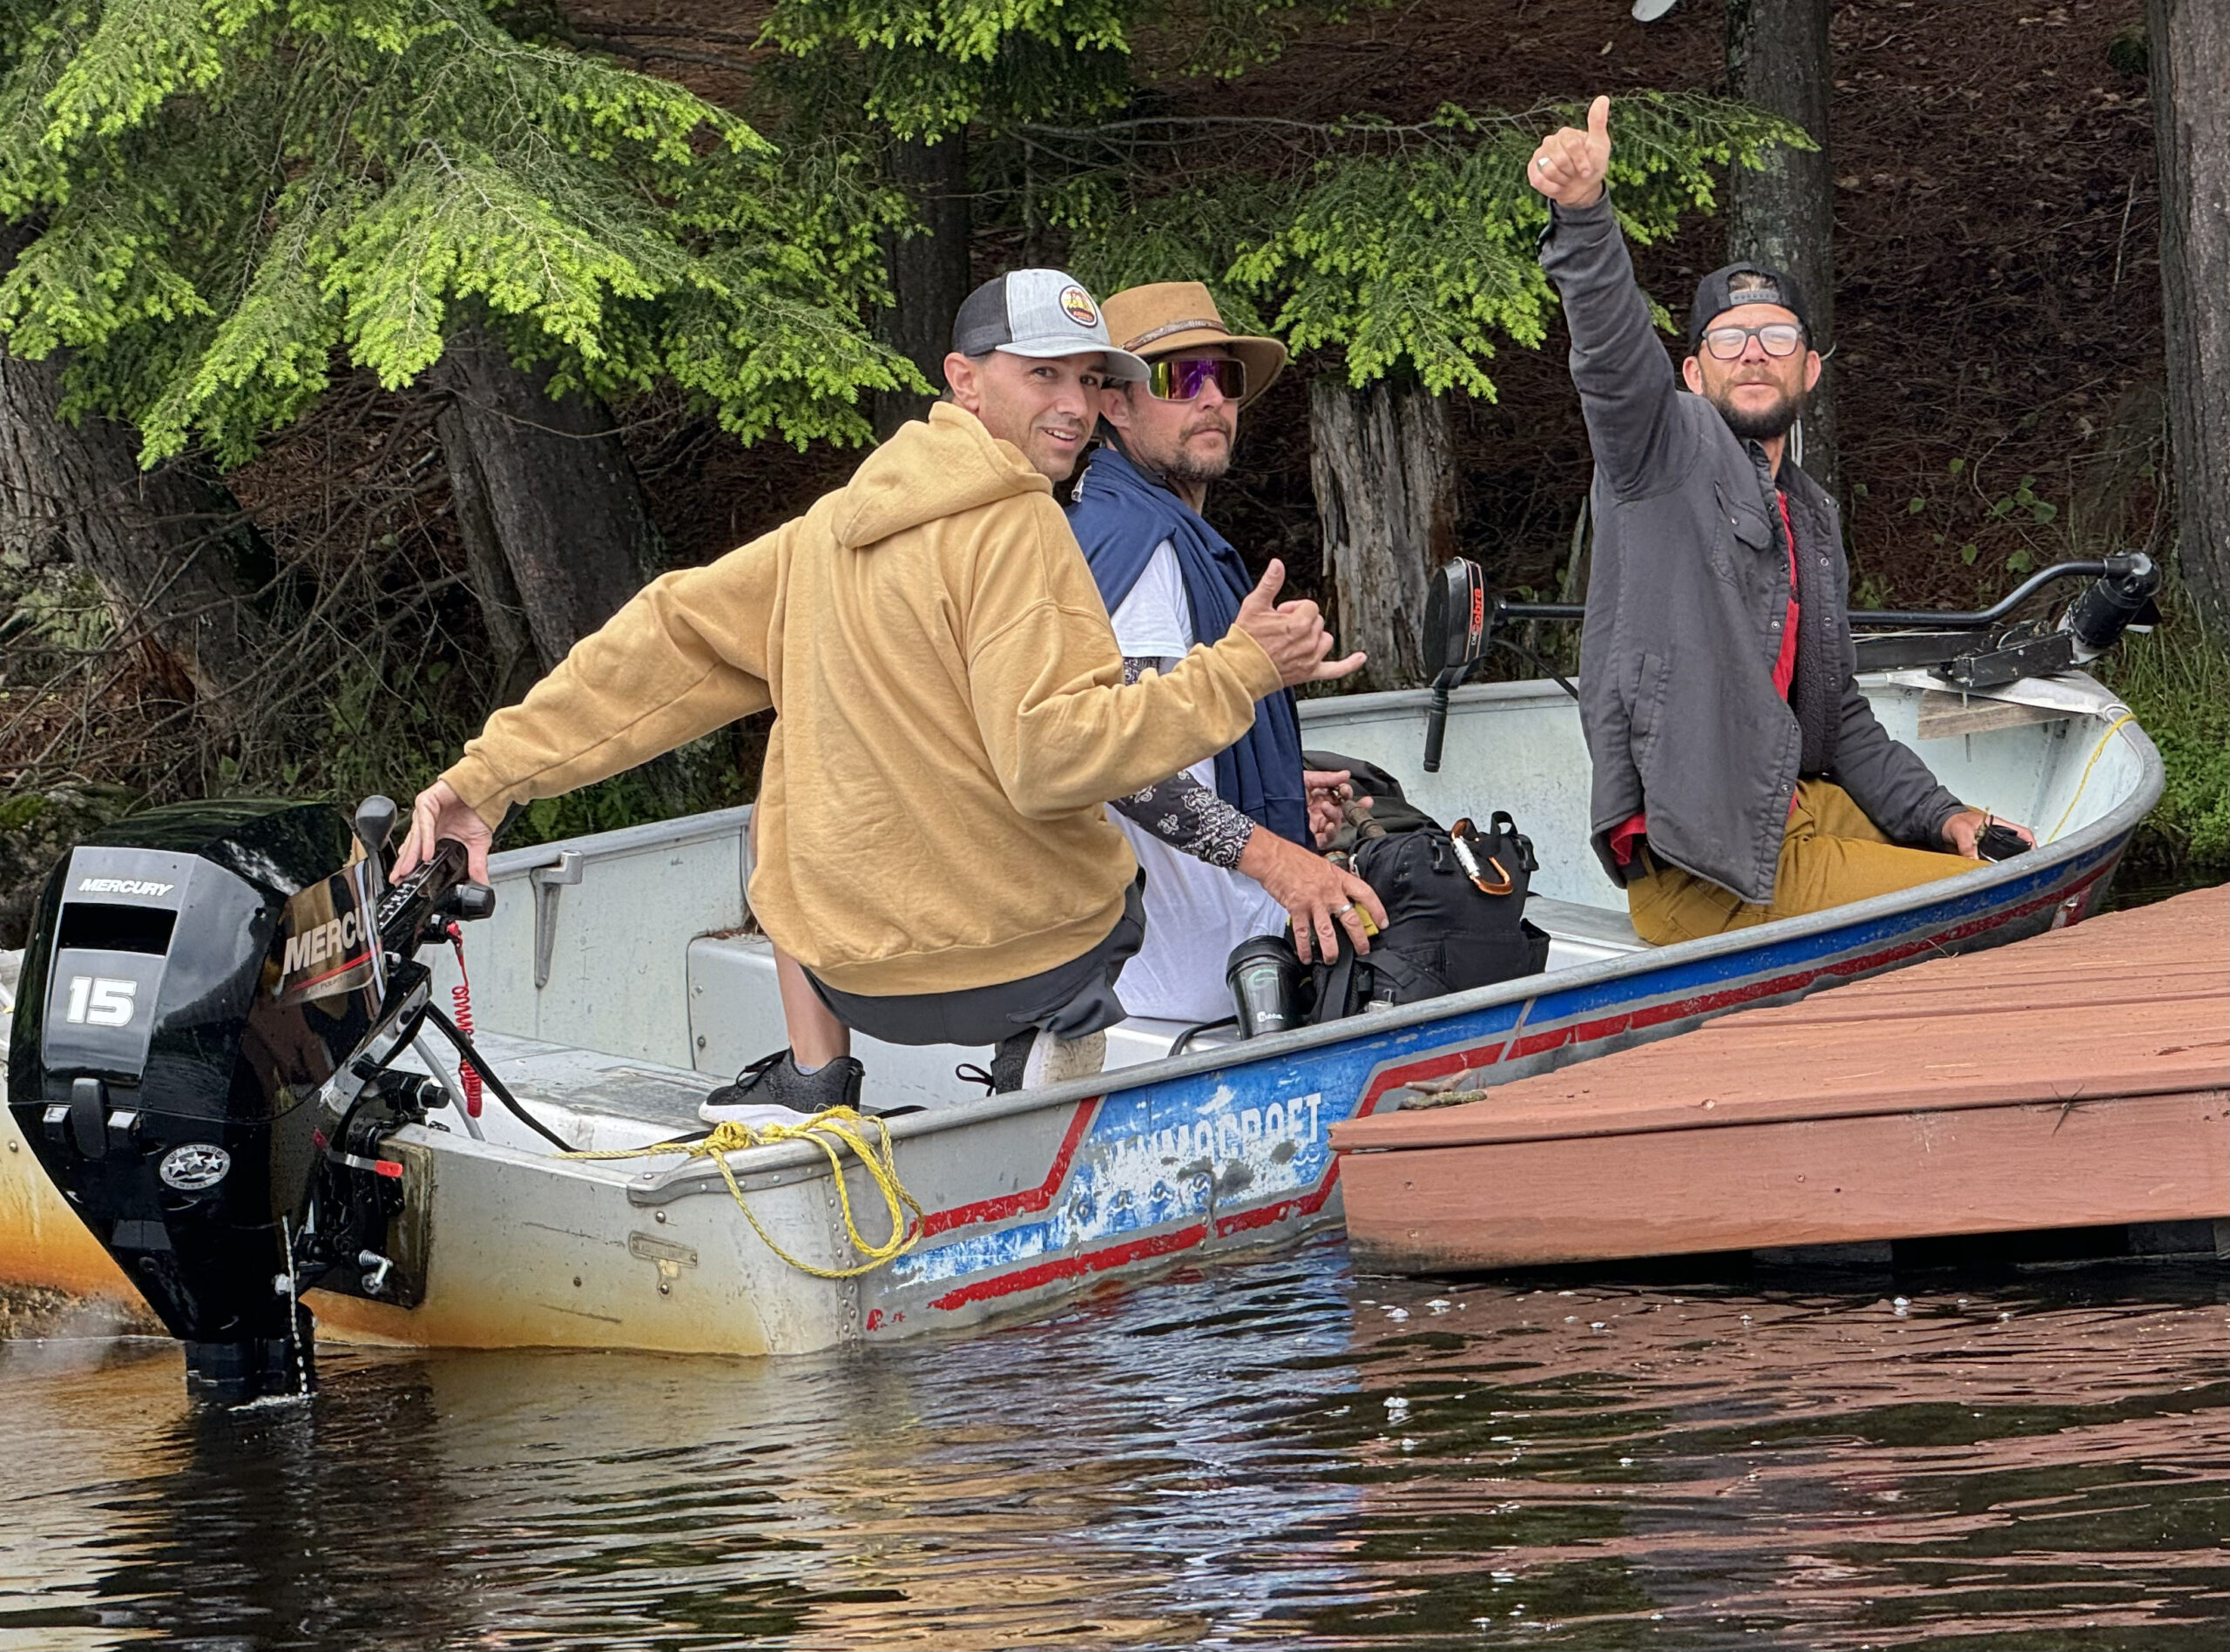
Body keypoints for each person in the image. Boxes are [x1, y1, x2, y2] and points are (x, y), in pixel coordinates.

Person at [394, 269, 1363, 1113]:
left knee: (797, 737)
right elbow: (1055, 758)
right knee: (1098, 858)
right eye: (1043, 375)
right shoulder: (1028, 530)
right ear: (963, 380)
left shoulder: (826, 530)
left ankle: (817, 1079)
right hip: (1024, 962)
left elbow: (662, 647)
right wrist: (1240, 669)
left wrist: (486, 781)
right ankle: (1046, 1086)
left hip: (855, 975)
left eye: (1085, 378)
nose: (1070, 405)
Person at [1527, 98, 2032, 947]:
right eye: (1727, 340)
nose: (1753, 351)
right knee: (1995, 910)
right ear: (1690, 372)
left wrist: (1943, 815)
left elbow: (1837, 714)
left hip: (1784, 809)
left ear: (1811, 368)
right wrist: (1583, 214)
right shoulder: (1659, 451)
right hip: (1708, 866)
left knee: (1991, 852)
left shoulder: (1808, 513)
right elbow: (1612, 358)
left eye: (1774, 334)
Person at [1064, 282, 1387, 1023]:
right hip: (1180, 988)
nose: (1211, 399)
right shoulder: (1141, 550)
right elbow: (1128, 765)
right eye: (1182, 378)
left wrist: (1271, 785)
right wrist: (1282, 859)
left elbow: (1173, 732)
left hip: (1197, 969)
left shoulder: (1133, 522)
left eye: (1225, 378)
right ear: (1115, 405)